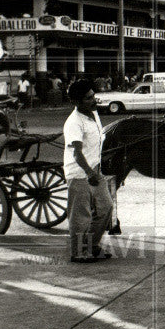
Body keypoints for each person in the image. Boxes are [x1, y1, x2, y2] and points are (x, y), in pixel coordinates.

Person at [63, 79, 113, 263]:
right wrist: (90, 174)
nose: (94, 100)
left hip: (94, 171)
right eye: (88, 98)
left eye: (93, 96)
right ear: (76, 102)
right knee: (80, 215)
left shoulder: (93, 114)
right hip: (79, 174)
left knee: (106, 208)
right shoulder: (74, 122)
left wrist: (97, 169)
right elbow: (76, 153)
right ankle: (78, 252)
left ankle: (91, 245)